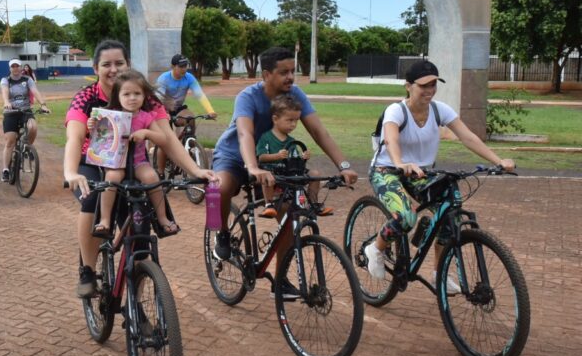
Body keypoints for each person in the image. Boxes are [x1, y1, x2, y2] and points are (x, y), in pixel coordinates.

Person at [63, 39, 216, 298]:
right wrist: (70, 172)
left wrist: (195, 170)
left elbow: (167, 139)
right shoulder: (85, 98)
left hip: (135, 164)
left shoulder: (145, 99)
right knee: (91, 200)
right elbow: (74, 138)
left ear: (128, 64)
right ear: (95, 68)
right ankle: (88, 271)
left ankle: (137, 302)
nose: (113, 69)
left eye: (119, 63)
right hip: (94, 163)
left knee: (142, 231)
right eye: (106, 64)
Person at [210, 47, 358, 297]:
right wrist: (252, 166)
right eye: (284, 72)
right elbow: (245, 133)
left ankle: (279, 281)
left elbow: (319, 132)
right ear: (267, 74)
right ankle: (222, 233)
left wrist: (343, 166)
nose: (291, 77)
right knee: (220, 187)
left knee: (288, 211)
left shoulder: (295, 94)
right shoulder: (248, 96)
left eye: (293, 71)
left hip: (272, 160)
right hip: (235, 155)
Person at [364, 60, 515, 293]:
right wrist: (399, 163)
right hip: (387, 170)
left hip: (422, 172)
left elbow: (467, 136)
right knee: (405, 217)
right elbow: (392, 139)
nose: (429, 90)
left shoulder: (439, 110)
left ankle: (439, 274)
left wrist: (498, 161)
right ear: (408, 86)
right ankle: (376, 248)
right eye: (423, 85)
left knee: (450, 216)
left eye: (433, 84)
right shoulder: (396, 111)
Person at [91, 69, 203, 238]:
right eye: (126, 94)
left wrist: (146, 133)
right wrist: (92, 124)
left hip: (138, 162)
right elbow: (98, 137)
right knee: (112, 179)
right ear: (118, 96)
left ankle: (163, 218)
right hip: (115, 162)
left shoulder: (146, 117)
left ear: (144, 96)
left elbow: (163, 139)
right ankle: (105, 220)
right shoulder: (110, 114)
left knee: (152, 178)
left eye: (137, 93)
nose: (132, 98)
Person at [255, 94, 332, 219]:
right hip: (274, 173)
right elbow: (261, 157)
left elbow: (294, 159)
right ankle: (268, 205)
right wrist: (276, 156)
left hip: (289, 174)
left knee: (315, 174)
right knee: (267, 175)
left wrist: (303, 157)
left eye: (296, 120)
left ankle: (312, 204)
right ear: (275, 119)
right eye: (289, 120)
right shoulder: (266, 137)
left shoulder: (291, 140)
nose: (293, 124)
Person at [153, 53, 217, 174]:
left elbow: (199, 95)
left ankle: (189, 143)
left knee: (190, 118)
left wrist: (210, 111)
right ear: (173, 66)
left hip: (178, 109)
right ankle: (160, 173)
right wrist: (163, 113)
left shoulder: (189, 78)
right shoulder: (164, 78)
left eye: (185, 66)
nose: (184, 69)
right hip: (163, 109)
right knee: (165, 141)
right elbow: (158, 100)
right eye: (181, 66)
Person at [0, 59, 50, 182]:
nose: (15, 68)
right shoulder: (6, 80)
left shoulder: (27, 79)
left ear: (21, 68)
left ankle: (27, 147)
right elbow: (4, 91)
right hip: (11, 112)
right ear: (10, 68)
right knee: (10, 141)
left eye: (17, 66)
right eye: (13, 66)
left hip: (25, 110)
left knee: (32, 127)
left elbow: (35, 91)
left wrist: (43, 104)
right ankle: (5, 170)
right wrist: (6, 102)